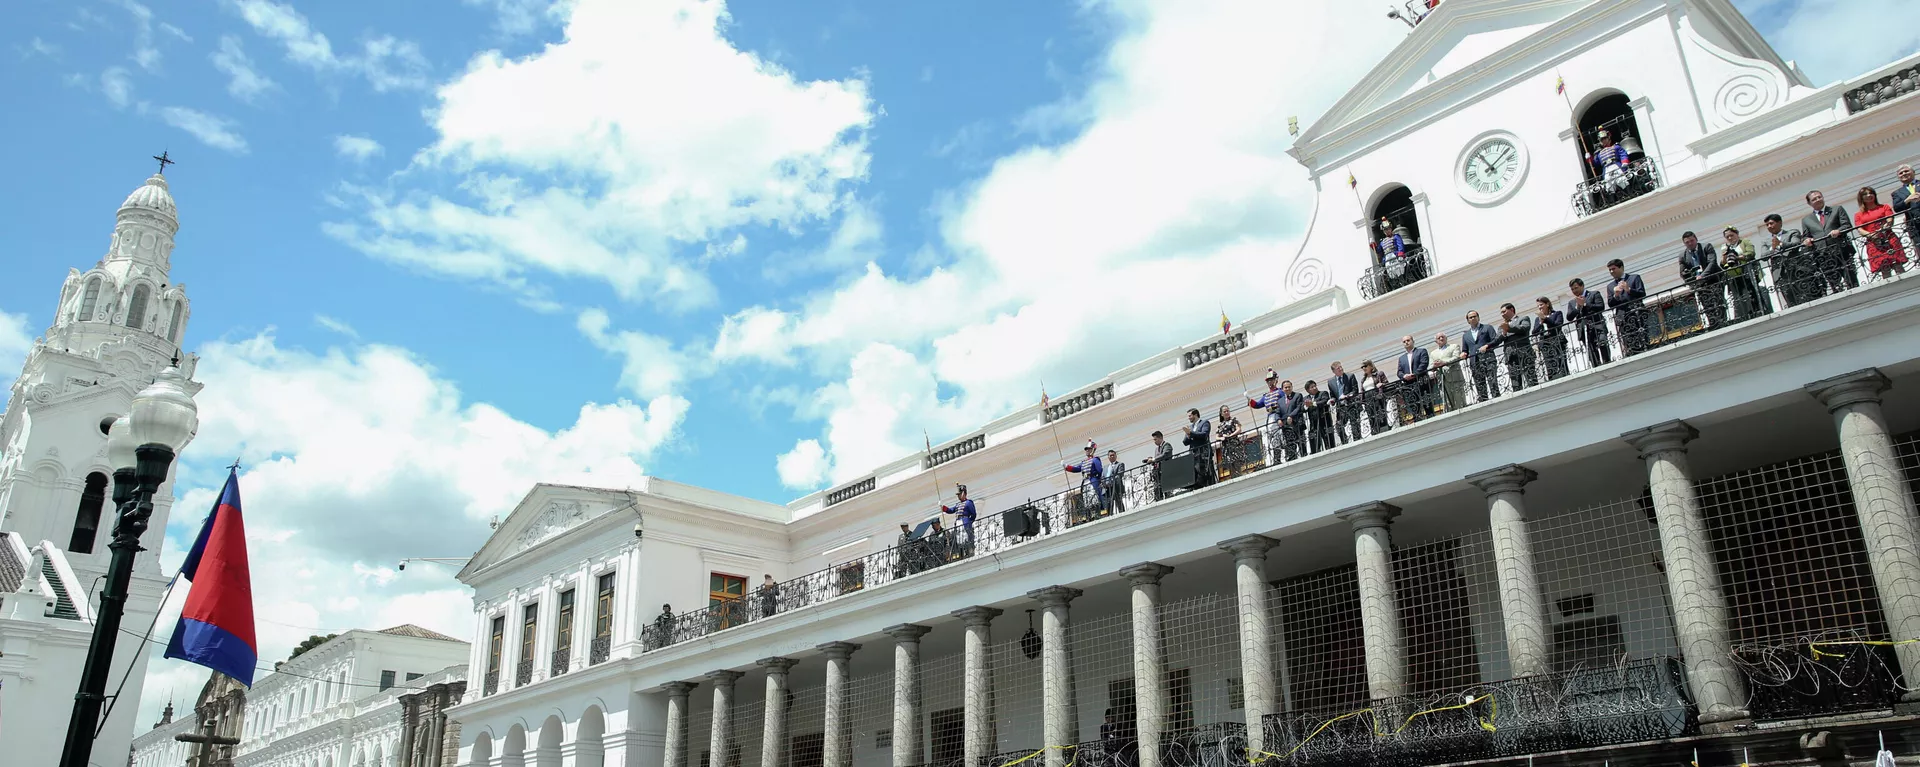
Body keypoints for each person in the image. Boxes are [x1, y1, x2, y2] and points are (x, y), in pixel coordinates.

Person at [1801, 190, 1859, 293]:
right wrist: (1807, 240)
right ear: (1809, 203)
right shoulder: (1806, 220)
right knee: (1835, 286)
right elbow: (1805, 237)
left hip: (1842, 251)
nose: (1818, 200)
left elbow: (1847, 225)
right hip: (1823, 255)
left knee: (1852, 281)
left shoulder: (1836, 209)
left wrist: (1838, 231)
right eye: (1814, 199)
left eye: (1819, 197)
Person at [1761, 213, 1820, 307]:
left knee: (1807, 297)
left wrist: (1780, 244)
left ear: (1779, 223)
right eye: (1767, 225)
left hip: (1797, 270)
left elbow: (1796, 244)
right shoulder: (1766, 241)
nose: (1769, 226)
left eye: (1771, 223)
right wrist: (1772, 248)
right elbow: (1763, 256)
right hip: (1780, 274)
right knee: (1790, 301)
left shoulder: (1792, 233)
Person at [1855, 186, 1910, 279]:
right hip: (1874, 243)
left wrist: (1883, 229)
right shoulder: (1858, 214)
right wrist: (1871, 235)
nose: (1869, 195)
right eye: (1865, 194)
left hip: (1889, 239)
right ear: (1861, 198)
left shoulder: (1884, 207)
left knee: (1898, 265)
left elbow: (1890, 220)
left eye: (1871, 193)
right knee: (1884, 269)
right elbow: (1859, 229)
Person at [1719, 225, 1771, 322]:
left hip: (1748, 272)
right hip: (1735, 276)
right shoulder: (1726, 248)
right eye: (1727, 237)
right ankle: (1744, 315)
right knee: (1739, 296)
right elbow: (1723, 264)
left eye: (1732, 235)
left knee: (1751, 293)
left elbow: (1751, 253)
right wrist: (1724, 257)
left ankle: (1757, 310)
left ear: (1737, 234)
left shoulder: (1744, 242)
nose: (1730, 238)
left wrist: (1738, 257)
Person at [1679, 231, 1727, 329]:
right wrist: (1690, 279)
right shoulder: (1683, 255)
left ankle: (1723, 322)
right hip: (1699, 285)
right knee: (1706, 305)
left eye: (1692, 241)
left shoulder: (1706, 247)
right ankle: (1714, 325)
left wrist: (1703, 275)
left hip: (1714, 279)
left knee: (1718, 302)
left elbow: (1712, 263)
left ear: (1696, 239)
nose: (1690, 244)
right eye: (1687, 242)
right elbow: (1682, 272)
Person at [1565, 277, 1611, 368]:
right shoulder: (1572, 302)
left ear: (1582, 286)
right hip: (1583, 328)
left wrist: (1585, 304)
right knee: (1590, 349)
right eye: (1572, 289)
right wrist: (1577, 308)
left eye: (1576, 288)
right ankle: (1596, 365)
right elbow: (1569, 317)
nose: (1574, 291)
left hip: (1597, 324)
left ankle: (1607, 362)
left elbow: (1600, 306)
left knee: (1602, 342)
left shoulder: (1594, 294)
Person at [1605, 259, 1649, 355]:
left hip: (1637, 313)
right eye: (1610, 270)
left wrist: (1629, 289)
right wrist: (1616, 295)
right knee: (1628, 342)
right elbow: (1610, 304)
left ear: (1621, 267)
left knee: (1643, 339)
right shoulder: (1610, 286)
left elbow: (1642, 294)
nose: (1612, 272)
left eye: (1613, 269)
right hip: (1623, 317)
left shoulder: (1634, 278)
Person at [1497, 302, 1537, 391]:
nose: (1502, 314)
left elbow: (1524, 328)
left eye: (1504, 311)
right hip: (1511, 356)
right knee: (1516, 384)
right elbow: (1498, 339)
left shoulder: (1523, 318)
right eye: (1501, 313)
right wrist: (1488, 345)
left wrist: (1508, 328)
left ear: (1511, 310)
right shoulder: (1502, 327)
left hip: (1525, 353)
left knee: (1531, 379)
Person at [1462, 311, 1500, 403]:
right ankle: (1484, 401)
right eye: (1470, 317)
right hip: (1475, 362)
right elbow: (1465, 349)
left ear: (1478, 317)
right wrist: (1463, 353)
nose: (1473, 318)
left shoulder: (1487, 328)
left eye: (1474, 316)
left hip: (1488, 358)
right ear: (1468, 321)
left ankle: (1497, 398)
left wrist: (1487, 346)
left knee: (1492, 380)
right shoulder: (1466, 335)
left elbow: (1495, 340)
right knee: (1479, 383)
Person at [1531, 297, 1569, 381]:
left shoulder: (1557, 313)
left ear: (1547, 304)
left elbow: (1558, 325)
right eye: (1538, 306)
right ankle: (1552, 379)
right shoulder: (1538, 319)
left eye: (1541, 304)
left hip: (1557, 341)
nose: (1539, 307)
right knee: (1549, 364)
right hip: (1545, 343)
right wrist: (1540, 323)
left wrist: (1546, 319)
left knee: (1561, 361)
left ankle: (1565, 376)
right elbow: (1534, 332)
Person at [1428, 332, 1466, 412]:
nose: (1441, 339)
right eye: (1439, 338)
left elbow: (1456, 358)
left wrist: (1443, 363)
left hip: (1455, 377)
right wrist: (1435, 366)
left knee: (1459, 399)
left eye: (1442, 337)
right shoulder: (1433, 353)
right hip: (1442, 380)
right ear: (1436, 341)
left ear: (1446, 338)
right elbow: (1430, 366)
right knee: (1448, 402)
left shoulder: (1454, 346)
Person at [1063, 440, 1106, 511]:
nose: (1087, 451)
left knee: (1094, 497)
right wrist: (1066, 466)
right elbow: (1076, 469)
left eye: (1088, 449)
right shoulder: (1083, 462)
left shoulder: (1095, 459)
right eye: (1086, 449)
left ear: (1092, 450)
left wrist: (1099, 480)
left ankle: (1099, 510)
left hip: (1093, 480)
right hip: (1085, 482)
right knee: (1087, 499)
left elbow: (1099, 470)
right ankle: (1090, 513)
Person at [1394, 334, 1431, 420]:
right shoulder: (1401, 358)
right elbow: (1399, 372)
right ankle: (1417, 420)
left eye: (1408, 340)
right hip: (1409, 386)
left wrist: (1414, 374)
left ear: (1413, 341)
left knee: (1427, 405)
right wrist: (1404, 376)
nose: (1406, 343)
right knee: (1414, 407)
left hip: (1421, 382)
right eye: (1404, 342)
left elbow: (1424, 364)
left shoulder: (1421, 351)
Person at [1326, 361, 1361, 445]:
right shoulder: (1331, 382)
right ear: (1334, 371)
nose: (1341, 369)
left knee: (1354, 423)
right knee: (1339, 426)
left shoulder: (1350, 376)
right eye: (1338, 368)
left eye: (1341, 367)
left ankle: (1357, 440)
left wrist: (1346, 396)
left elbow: (1355, 390)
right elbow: (1333, 395)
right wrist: (1332, 400)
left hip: (1351, 404)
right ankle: (1345, 442)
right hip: (1340, 407)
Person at [939, 484, 977, 554]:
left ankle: (968, 550)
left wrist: (969, 522)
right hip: (958, 522)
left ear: (963, 493)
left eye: (959, 494)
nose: (958, 496)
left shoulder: (968, 503)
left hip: (965, 522)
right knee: (959, 539)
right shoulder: (957, 504)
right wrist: (943, 507)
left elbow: (973, 514)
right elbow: (951, 510)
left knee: (966, 538)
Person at [1181, 408, 1213, 485]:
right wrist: (1188, 434)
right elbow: (1185, 442)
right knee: (1194, 474)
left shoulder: (1204, 423)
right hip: (1193, 454)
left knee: (1202, 472)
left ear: (1195, 415)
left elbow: (1204, 434)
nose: (1189, 418)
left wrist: (1191, 433)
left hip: (1202, 452)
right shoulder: (1190, 427)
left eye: (1190, 416)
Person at [1358, 359, 1392, 434]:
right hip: (1368, 400)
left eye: (1365, 366)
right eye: (1362, 367)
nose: (1364, 368)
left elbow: (1386, 383)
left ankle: (1384, 430)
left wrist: (1382, 384)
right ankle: (1375, 432)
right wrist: (1362, 401)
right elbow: (1362, 391)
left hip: (1377, 397)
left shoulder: (1379, 374)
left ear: (1370, 366)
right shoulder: (1363, 379)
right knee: (1372, 417)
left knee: (1380, 415)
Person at [1302, 379, 1334, 454]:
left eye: (1315, 386)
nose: (1314, 388)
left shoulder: (1323, 393)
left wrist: (1312, 404)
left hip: (1325, 421)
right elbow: (1302, 408)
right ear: (1308, 390)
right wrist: (1306, 406)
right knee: (1314, 441)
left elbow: (1324, 401)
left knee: (1329, 440)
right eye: (1312, 387)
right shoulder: (1305, 399)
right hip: (1313, 423)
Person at [1892, 164, 1920, 248]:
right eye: (1901, 173)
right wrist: (1907, 200)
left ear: (1913, 172)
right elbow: (1896, 208)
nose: (1904, 173)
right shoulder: (1897, 193)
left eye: (1906, 171)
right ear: (1899, 177)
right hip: (1915, 227)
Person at [1143, 430, 1174, 501]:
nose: (1154, 442)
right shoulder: (1157, 449)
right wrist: (1151, 460)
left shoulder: (1167, 445)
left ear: (1160, 438)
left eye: (1155, 439)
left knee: (1166, 487)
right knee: (1157, 488)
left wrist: (1153, 459)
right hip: (1157, 471)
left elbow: (1164, 455)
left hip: (1165, 470)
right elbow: (1156, 460)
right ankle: (1159, 498)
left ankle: (1168, 497)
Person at [1216, 404, 1246, 476]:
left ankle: (1239, 477)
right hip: (1226, 447)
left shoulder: (1234, 420)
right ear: (1221, 414)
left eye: (1227, 411)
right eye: (1224, 411)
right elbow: (1217, 436)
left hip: (1235, 445)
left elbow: (1239, 429)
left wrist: (1231, 435)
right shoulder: (1221, 425)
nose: (1226, 413)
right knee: (1230, 465)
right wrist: (1222, 438)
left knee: (1237, 464)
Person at [1102, 450, 1127, 515]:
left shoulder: (1120, 464)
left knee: (1119, 502)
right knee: (1109, 504)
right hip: (1107, 489)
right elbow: (1102, 477)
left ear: (1116, 456)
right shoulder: (1105, 467)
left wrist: (1111, 482)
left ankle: (1122, 514)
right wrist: (1104, 484)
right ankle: (1109, 516)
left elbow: (1119, 475)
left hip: (1116, 487)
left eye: (1113, 455)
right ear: (1108, 457)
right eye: (1110, 455)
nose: (1112, 456)